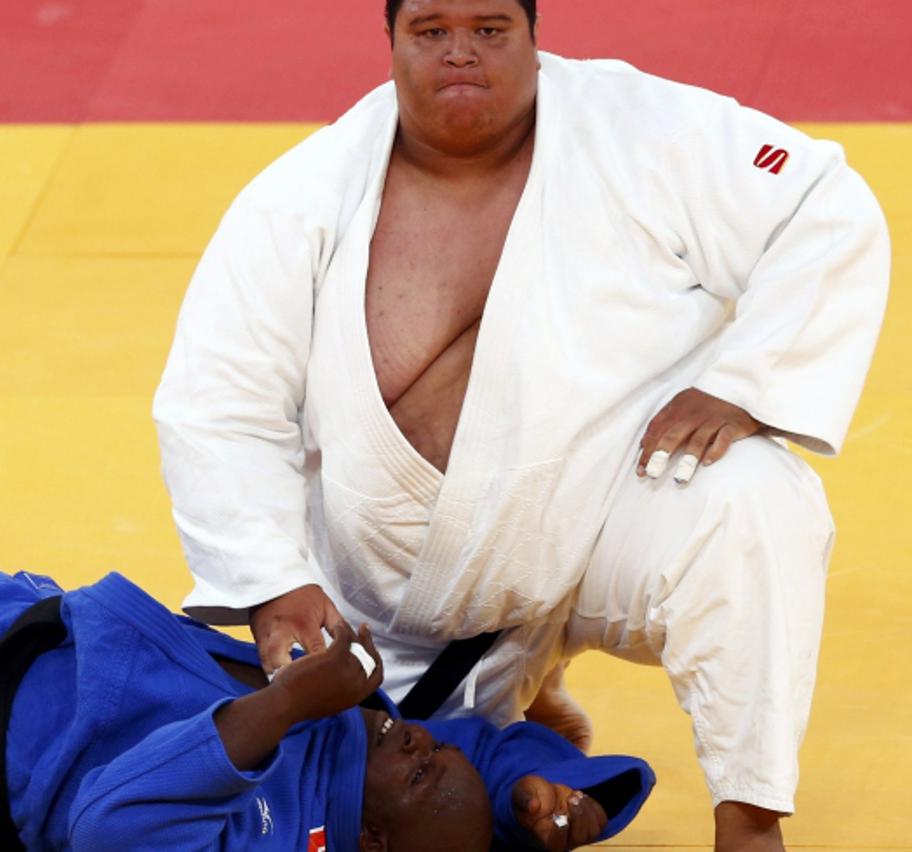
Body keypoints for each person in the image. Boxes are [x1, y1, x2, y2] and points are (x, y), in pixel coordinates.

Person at [152, 0, 891, 849]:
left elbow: (818, 202)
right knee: (360, 806)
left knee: (760, 498)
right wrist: (273, 583)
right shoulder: (301, 199)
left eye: (490, 30)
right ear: (389, 42)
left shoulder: (640, 132)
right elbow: (218, 399)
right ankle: (522, 703)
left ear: (534, 37)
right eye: (431, 31)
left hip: (607, 515)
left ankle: (750, 817)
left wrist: (749, 382)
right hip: (398, 605)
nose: (460, 54)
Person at [0, 434, 654, 851]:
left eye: (424, 771)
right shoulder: (377, 747)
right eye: (433, 750)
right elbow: (488, 757)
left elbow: (106, 818)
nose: (425, 743)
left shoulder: (272, 824)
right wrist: (546, 798)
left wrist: (282, 706)